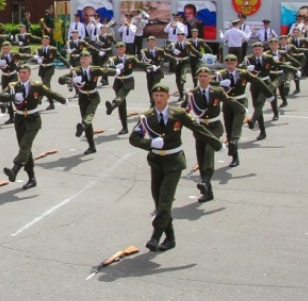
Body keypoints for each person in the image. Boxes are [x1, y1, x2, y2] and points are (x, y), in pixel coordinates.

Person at [129, 83, 221, 252]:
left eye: (162, 95)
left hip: (174, 161)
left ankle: (156, 235)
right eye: (156, 96)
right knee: (158, 201)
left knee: (165, 198)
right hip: (156, 161)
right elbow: (134, 138)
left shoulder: (177, 113)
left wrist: (216, 144)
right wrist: (150, 143)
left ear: (167, 97)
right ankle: (170, 238)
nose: (159, 99)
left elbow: (198, 128)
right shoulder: (147, 117)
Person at [0, 65, 66, 189]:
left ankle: (15, 169)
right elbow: (0, 96)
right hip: (19, 120)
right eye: (20, 72)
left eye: (24, 72)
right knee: (25, 149)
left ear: (29, 74)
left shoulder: (36, 85)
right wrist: (13, 96)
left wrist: (63, 100)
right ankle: (32, 178)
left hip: (33, 119)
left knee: (25, 145)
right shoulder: (13, 86)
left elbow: (49, 92)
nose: (21, 75)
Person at [58, 50, 117, 155]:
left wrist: (119, 71)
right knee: (86, 120)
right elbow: (61, 79)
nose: (83, 60)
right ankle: (91, 146)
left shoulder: (95, 69)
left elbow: (107, 71)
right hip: (83, 97)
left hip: (93, 96)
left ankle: (82, 127)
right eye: (81, 59)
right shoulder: (76, 71)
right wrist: (71, 80)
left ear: (90, 59)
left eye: (85, 58)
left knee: (89, 115)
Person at [182, 67, 227, 202]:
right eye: (200, 76)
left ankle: (205, 179)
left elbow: (229, 101)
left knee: (208, 149)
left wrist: (241, 110)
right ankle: (208, 192)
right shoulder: (192, 93)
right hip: (200, 128)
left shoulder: (217, 91)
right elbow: (183, 109)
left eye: (205, 76)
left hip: (214, 126)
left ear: (210, 78)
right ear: (197, 77)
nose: (202, 78)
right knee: (201, 158)